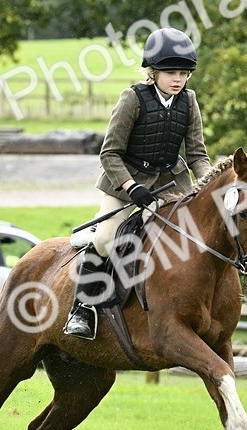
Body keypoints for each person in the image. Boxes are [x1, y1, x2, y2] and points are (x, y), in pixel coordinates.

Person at [63, 27, 212, 340]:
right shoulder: (133, 99)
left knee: (197, 233)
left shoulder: (189, 101)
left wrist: (210, 184)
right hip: (125, 182)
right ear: (153, 72)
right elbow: (109, 153)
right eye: (171, 72)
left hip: (171, 182)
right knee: (105, 238)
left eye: (183, 73)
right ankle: (82, 308)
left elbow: (197, 154)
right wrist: (132, 187)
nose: (178, 79)